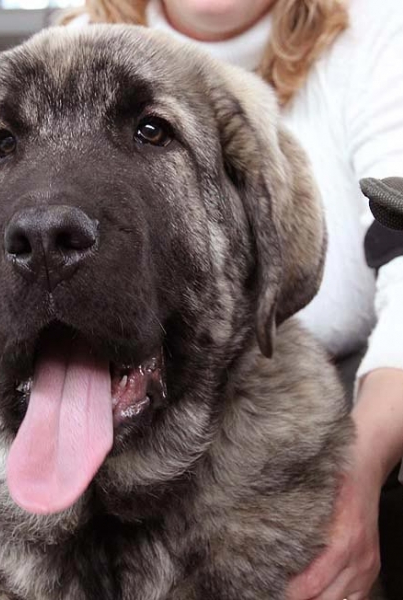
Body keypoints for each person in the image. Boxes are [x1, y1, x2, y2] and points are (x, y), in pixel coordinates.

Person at [62, 1, 403, 599]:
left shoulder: (379, 34)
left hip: (349, 373)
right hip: (96, 354)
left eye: (151, 131)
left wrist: (363, 463)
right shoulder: (72, 41)